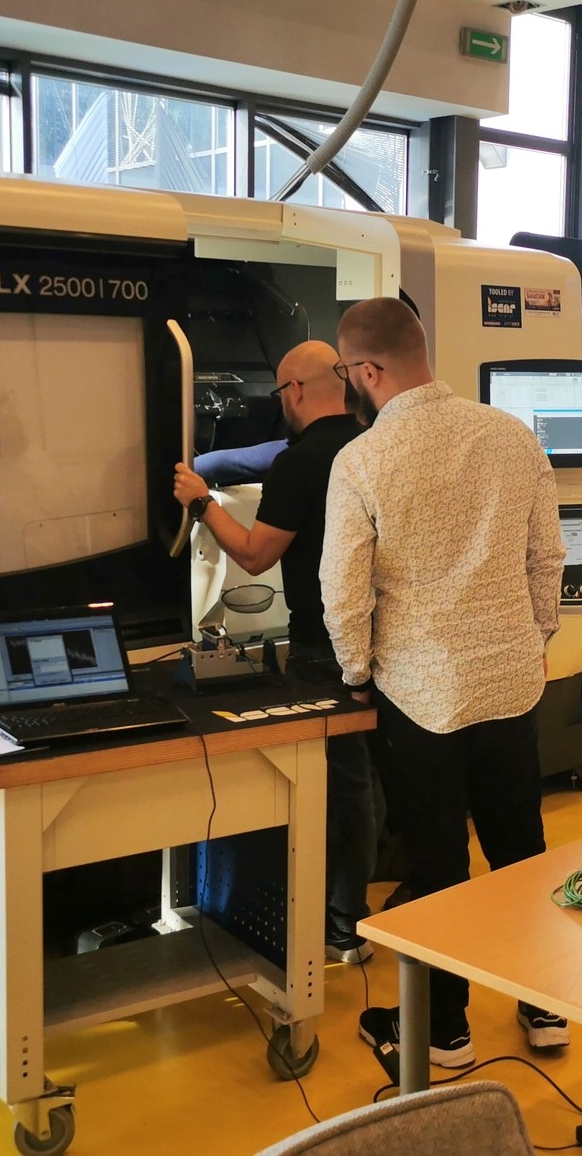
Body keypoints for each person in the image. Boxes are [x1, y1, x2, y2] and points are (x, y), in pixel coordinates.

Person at [319, 296, 570, 1069]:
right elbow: (548, 557)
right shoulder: (510, 434)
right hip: (510, 684)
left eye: (347, 372)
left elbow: (343, 593)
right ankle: (544, 1006)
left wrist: (355, 674)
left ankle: (446, 1030)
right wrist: (535, 639)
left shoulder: (362, 460)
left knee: (438, 863)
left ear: (367, 370)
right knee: (521, 848)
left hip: (420, 695)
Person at [172, 339, 377, 964]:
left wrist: (200, 502)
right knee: (362, 782)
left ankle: (337, 926)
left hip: (326, 645)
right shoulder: (372, 444)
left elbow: (256, 554)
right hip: (386, 641)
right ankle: (349, 918)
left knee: (336, 787)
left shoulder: (301, 461)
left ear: (295, 391)